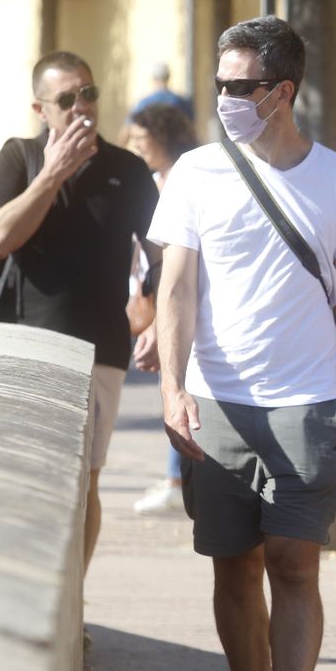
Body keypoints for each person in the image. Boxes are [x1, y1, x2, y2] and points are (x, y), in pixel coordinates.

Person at [149, 16, 336, 671]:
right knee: (234, 568)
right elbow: (176, 287)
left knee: (294, 565)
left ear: (281, 92)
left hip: (309, 406)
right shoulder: (195, 174)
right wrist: (174, 391)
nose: (223, 100)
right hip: (217, 404)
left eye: (238, 87)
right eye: (218, 85)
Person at [0, 52, 160, 574]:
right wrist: (53, 173)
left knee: (86, 480)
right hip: (28, 344)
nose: (81, 106)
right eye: (67, 99)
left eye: (89, 93)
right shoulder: (19, 157)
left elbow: (164, 254)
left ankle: (71, 601)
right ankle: (28, 581)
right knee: (30, 477)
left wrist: (155, 313)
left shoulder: (126, 170)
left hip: (100, 347)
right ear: (42, 109)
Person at [126, 103, 199, 514]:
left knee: (179, 383)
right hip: (154, 292)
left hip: (175, 299)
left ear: (163, 138)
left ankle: (178, 477)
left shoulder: (184, 179)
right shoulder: (156, 178)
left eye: (142, 140)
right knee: (172, 386)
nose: (137, 148)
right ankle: (175, 474)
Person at [130, 60, 195, 121]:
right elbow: (191, 121)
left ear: (153, 78)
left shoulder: (144, 104)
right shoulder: (181, 103)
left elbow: (131, 124)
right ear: (168, 76)